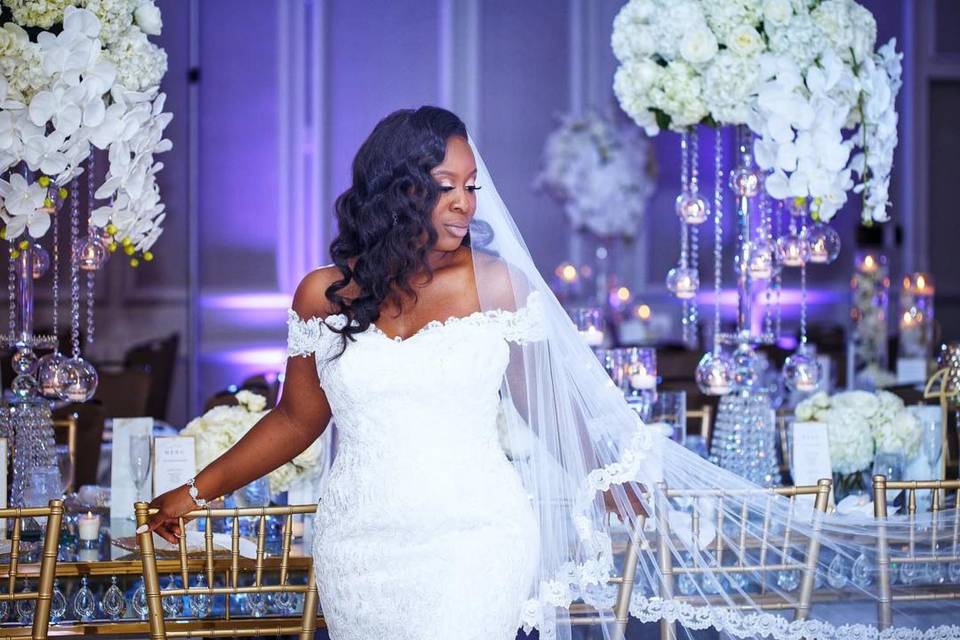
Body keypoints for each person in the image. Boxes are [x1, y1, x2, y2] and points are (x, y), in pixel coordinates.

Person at [142, 106, 960, 640]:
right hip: (360, 549)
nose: (468, 203)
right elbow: (297, 419)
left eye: (472, 186)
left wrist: (619, 482)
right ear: (396, 193)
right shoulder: (324, 294)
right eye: (446, 188)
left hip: (477, 544)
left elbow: (549, 412)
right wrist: (196, 490)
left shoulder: (496, 285)